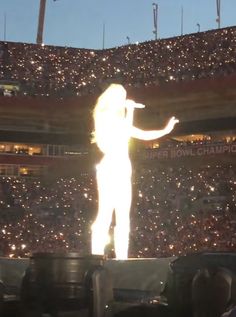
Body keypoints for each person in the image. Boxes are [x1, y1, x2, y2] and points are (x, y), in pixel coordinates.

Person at [91, 83, 179, 260]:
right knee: (105, 213)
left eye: (125, 97)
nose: (124, 100)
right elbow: (122, 132)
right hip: (110, 167)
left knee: (123, 216)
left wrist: (165, 130)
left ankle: (122, 258)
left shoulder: (120, 121)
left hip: (123, 168)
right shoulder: (103, 117)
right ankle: (96, 256)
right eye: (121, 97)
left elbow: (144, 135)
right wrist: (130, 111)